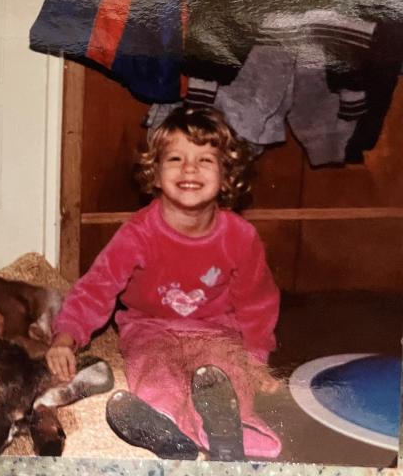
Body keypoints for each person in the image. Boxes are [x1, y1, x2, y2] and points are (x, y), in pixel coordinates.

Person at [45, 105, 281, 461]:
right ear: (154, 174)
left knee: (225, 373)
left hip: (218, 329)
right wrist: (65, 337)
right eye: (175, 158)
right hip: (150, 328)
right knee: (155, 373)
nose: (190, 168)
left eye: (205, 160)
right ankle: (167, 430)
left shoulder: (240, 236)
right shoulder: (137, 234)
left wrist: (255, 360)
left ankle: (230, 431)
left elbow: (257, 303)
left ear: (227, 175)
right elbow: (97, 288)